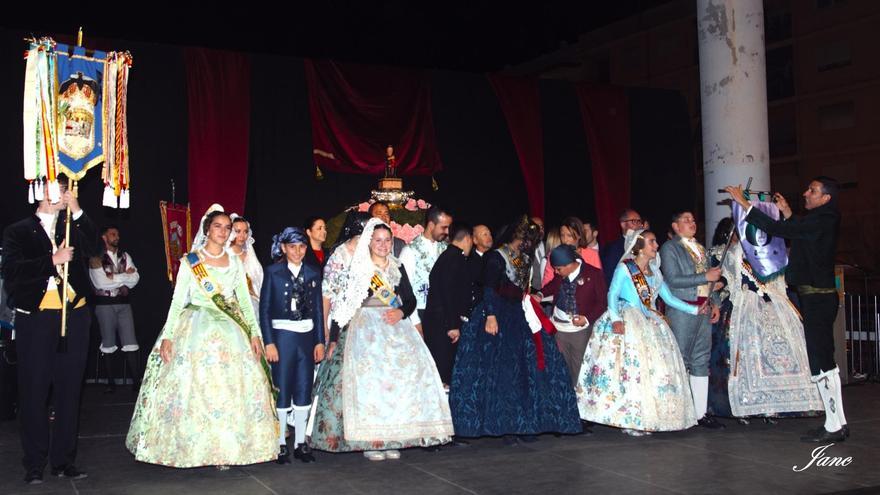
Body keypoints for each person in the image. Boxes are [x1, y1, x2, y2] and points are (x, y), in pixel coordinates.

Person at [126, 205, 277, 468]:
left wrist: (254, 333)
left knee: (230, 389)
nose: (223, 231)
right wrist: (168, 336)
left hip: (231, 331)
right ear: (207, 229)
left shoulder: (234, 261)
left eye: (227, 228)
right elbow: (177, 301)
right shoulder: (191, 261)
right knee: (195, 389)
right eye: (217, 226)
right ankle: (191, 447)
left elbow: (242, 299)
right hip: (195, 327)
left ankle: (226, 450)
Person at [309, 219, 453, 461]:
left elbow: (409, 300)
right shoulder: (358, 270)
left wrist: (401, 312)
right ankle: (372, 441)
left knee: (398, 383)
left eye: (387, 240)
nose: (383, 245)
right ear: (369, 242)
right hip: (363, 330)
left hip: (394, 326)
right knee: (369, 384)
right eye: (378, 240)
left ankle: (391, 438)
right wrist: (333, 339)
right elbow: (343, 307)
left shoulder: (397, 267)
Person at [725, 177, 848, 442]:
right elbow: (798, 230)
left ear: (826, 198)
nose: (806, 193)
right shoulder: (820, 219)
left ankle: (834, 425)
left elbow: (775, 228)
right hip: (816, 298)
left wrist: (744, 204)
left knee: (822, 364)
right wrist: (789, 213)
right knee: (825, 362)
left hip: (818, 299)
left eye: (812, 191)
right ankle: (836, 421)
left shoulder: (825, 218)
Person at [450, 217, 581, 443]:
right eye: (524, 240)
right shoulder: (496, 257)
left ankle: (525, 423)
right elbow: (489, 287)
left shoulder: (523, 257)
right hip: (497, 315)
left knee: (525, 369)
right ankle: (503, 426)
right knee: (502, 372)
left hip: (518, 313)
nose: (527, 245)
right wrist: (490, 316)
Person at [2, 177, 96, 484]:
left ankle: (64, 460)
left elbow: (95, 249)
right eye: (56, 188)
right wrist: (51, 260)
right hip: (38, 320)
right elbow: (13, 273)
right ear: (40, 192)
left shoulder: (72, 225)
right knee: (34, 391)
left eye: (65, 189)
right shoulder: (18, 231)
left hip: (74, 316)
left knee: (69, 392)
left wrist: (78, 212)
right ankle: (34, 463)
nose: (62, 193)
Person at [577, 230, 703, 435]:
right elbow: (613, 293)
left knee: (653, 371)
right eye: (652, 242)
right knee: (631, 371)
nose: (656, 246)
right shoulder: (626, 269)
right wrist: (616, 319)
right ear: (639, 246)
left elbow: (669, 299)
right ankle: (630, 419)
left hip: (650, 323)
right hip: (628, 320)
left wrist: (695, 309)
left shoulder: (655, 273)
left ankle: (648, 416)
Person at [707, 219, 822, 421]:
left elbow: (773, 277)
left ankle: (780, 401)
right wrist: (723, 283)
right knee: (746, 351)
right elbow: (726, 277)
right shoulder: (723, 252)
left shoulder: (760, 251)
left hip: (770, 303)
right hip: (742, 305)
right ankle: (748, 402)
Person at [260, 227, 325, 464]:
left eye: (302, 247)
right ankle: (279, 443)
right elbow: (264, 310)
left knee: (303, 386)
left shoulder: (312, 272)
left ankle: (300, 443)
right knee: (282, 386)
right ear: (284, 248)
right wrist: (269, 342)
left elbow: (317, 309)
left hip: (306, 337)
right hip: (283, 337)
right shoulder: (273, 272)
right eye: (292, 247)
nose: (298, 252)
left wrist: (319, 341)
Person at [659, 211, 724, 429]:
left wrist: (715, 301)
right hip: (682, 310)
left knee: (701, 359)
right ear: (675, 226)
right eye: (686, 220)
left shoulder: (700, 248)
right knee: (680, 359)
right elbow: (673, 280)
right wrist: (705, 277)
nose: (692, 223)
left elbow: (711, 280)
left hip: (703, 309)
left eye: (693, 219)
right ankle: (678, 412)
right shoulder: (669, 248)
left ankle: (700, 413)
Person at [540, 245, 607, 387]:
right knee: (562, 366)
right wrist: (540, 294)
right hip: (558, 328)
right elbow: (552, 285)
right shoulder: (561, 275)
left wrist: (587, 318)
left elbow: (602, 303)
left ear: (570, 264)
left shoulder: (594, 274)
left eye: (559, 269)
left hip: (579, 331)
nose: (556, 272)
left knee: (580, 367)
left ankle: (580, 400)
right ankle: (565, 398)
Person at [89, 225, 141, 394]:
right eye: (113, 234)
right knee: (108, 343)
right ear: (104, 237)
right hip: (104, 304)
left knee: (131, 343)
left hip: (124, 303)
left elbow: (135, 280)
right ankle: (110, 383)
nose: (116, 236)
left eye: (117, 234)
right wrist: (125, 277)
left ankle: (136, 382)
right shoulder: (96, 258)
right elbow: (101, 283)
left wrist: (115, 277)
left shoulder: (125, 256)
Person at [423, 224, 474, 387]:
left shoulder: (449, 256)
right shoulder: (454, 258)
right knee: (443, 374)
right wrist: (452, 325)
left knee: (444, 372)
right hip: (442, 324)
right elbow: (448, 293)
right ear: (467, 239)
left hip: (441, 322)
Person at [399, 205, 452, 334]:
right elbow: (405, 290)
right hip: (420, 312)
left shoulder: (447, 250)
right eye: (444, 227)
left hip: (444, 313)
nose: (447, 232)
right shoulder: (409, 251)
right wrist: (415, 321)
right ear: (431, 225)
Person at [322, 211, 370, 346]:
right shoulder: (339, 256)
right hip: (341, 318)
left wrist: (397, 306)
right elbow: (327, 293)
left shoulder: (372, 253)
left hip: (367, 316)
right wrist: (324, 324)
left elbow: (380, 284)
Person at [541, 217, 601, 288]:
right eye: (562, 235)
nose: (565, 240)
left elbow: (598, 282)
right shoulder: (554, 254)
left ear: (579, 235)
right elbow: (546, 285)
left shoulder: (592, 254)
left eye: (569, 236)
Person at [227, 214, 263, 317]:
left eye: (245, 231)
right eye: (238, 231)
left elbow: (258, 279)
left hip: (252, 302)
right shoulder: (226, 255)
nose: (242, 236)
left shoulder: (250, 255)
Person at [600, 209, 643, 286]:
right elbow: (610, 277)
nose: (639, 225)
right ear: (623, 224)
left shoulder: (643, 244)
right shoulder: (613, 248)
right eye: (634, 221)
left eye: (639, 221)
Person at [530, 217, 545, 291]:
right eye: (537, 227)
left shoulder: (548, 245)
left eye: (542, 227)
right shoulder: (524, 249)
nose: (540, 230)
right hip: (532, 293)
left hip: (547, 293)